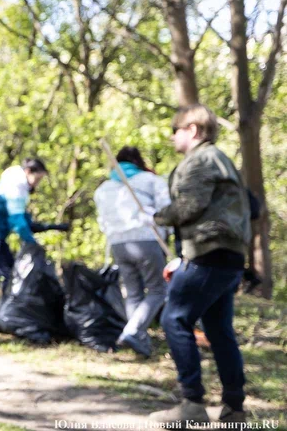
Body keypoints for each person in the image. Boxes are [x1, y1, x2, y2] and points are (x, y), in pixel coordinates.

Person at [149, 104, 250, 426]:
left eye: (176, 130)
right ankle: (234, 407)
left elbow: (191, 205)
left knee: (174, 318)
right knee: (219, 331)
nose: (173, 136)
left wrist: (160, 217)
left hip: (208, 254)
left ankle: (192, 403)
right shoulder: (219, 159)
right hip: (228, 256)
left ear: (192, 130)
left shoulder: (201, 160)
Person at [93, 147, 170, 357]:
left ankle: (140, 339)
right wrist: (166, 231)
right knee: (158, 290)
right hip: (146, 239)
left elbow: (102, 221)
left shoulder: (103, 189)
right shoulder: (151, 180)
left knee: (133, 292)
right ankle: (133, 331)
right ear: (138, 161)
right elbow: (167, 210)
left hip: (118, 243)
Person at [0, 158, 49, 330]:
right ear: (28, 172)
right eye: (38, 178)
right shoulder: (16, 186)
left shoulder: (13, 182)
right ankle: (7, 316)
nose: (38, 183)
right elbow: (16, 219)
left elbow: (20, 216)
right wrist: (31, 242)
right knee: (9, 273)